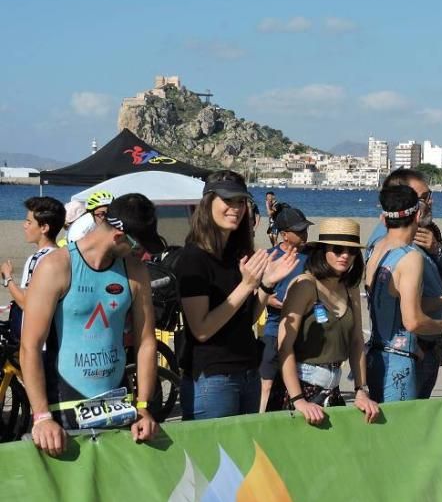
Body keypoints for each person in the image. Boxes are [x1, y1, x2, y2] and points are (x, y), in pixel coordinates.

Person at [20, 204, 161, 455]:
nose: (141, 255)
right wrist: (41, 417)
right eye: (138, 247)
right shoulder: (56, 266)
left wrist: (143, 406)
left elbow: (146, 342)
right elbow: (30, 346)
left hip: (117, 404)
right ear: (119, 237)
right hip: (63, 404)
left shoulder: (135, 271)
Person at [175, 171, 298, 420]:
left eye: (241, 201)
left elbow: (246, 318)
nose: (236, 208)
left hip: (247, 372)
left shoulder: (235, 255)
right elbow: (201, 329)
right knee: (211, 458)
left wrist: (265, 285)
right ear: (208, 203)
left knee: (245, 457)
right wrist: (246, 285)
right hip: (212, 378)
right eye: (227, 200)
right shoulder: (193, 258)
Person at [365, 185, 442, 403]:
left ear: (384, 218)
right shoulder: (410, 257)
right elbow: (413, 321)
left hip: (376, 354)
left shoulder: (379, 247)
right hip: (399, 362)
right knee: (403, 433)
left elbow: (393, 301)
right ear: (417, 215)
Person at [278, 218, 379, 424]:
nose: (345, 256)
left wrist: (361, 390)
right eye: (338, 249)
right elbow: (284, 346)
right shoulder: (305, 285)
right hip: (302, 387)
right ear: (323, 250)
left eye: (351, 251)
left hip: (333, 390)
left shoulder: (350, 289)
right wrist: (298, 400)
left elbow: (357, 341)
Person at [259, 204, 312, 412]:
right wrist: (269, 300)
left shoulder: (311, 258)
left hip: (303, 330)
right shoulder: (268, 256)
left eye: (305, 229)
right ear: (284, 235)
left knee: (298, 383)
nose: (304, 234)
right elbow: (254, 291)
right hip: (274, 329)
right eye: (299, 230)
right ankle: (260, 421)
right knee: (267, 382)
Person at [2, 197, 65, 340]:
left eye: (29, 222)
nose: (24, 226)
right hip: (57, 335)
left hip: (38, 340)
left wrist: (8, 277)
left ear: (44, 228)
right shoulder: (62, 254)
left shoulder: (37, 259)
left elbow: (26, 303)